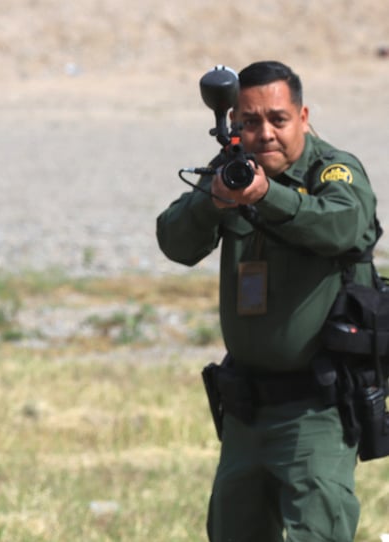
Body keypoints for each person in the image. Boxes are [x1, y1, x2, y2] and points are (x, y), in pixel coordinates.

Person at [156, 60, 380, 541]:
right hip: (246, 408)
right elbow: (174, 242)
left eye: (277, 119)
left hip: (315, 409)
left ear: (302, 116)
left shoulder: (332, 170)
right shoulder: (231, 172)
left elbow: (343, 225)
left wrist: (267, 198)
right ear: (233, 123)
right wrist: (214, 201)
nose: (265, 133)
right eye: (250, 122)